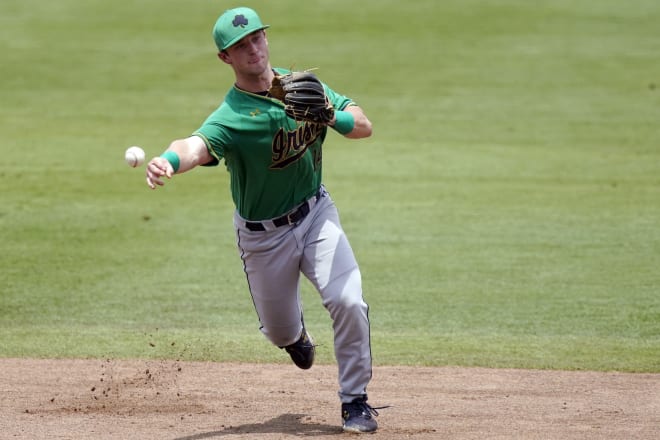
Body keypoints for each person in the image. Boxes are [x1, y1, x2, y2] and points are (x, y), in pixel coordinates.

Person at [145, 6, 380, 433]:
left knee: (348, 299)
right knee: (278, 331)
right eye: (240, 46)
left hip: (315, 214)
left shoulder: (304, 86)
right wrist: (167, 160)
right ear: (226, 58)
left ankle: (355, 401)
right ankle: (295, 339)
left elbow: (363, 125)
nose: (253, 49)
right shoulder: (231, 117)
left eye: (257, 38)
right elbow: (195, 145)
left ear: (266, 38)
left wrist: (330, 114)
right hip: (263, 239)